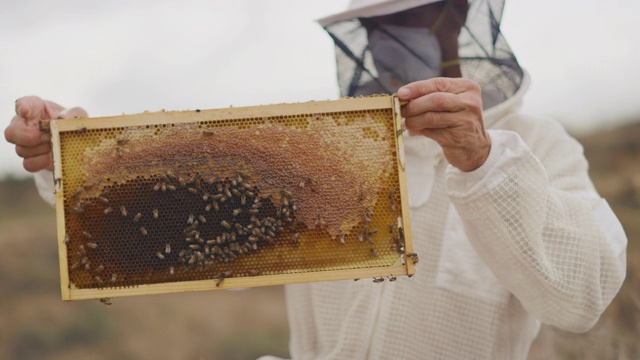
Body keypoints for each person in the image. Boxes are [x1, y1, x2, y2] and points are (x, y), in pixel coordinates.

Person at [4, 0, 628, 359]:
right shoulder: (318, 153)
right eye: (385, 33)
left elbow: (583, 297)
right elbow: (178, 221)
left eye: (422, 22)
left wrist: (484, 164)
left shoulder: (541, 146)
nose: (397, 50)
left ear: (464, 22)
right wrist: (81, 166)